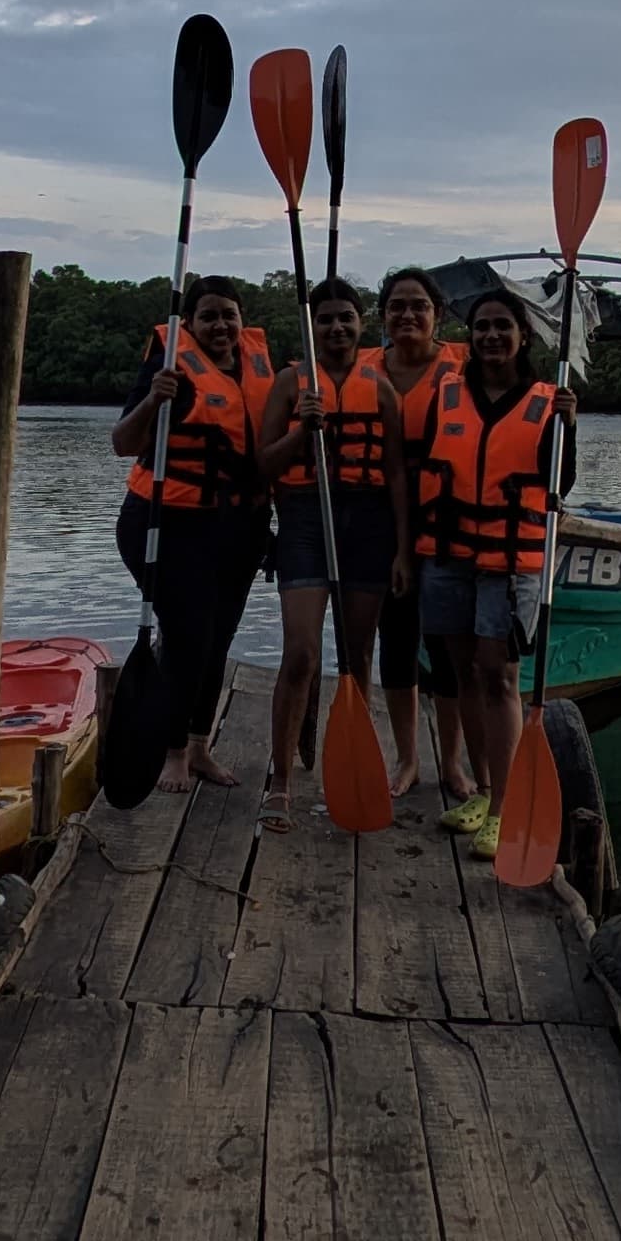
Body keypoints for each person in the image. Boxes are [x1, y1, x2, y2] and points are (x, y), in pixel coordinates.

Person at [106, 277, 275, 790]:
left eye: (229, 315)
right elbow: (122, 442)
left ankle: (200, 746)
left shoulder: (259, 368)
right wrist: (155, 400)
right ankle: (172, 750)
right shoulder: (169, 368)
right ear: (192, 324)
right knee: (187, 638)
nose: (220, 325)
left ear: (242, 320)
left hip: (239, 527)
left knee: (217, 638)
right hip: (166, 523)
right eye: (208, 316)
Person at [411, 285, 556, 858]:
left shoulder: (549, 403)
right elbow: (425, 466)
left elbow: (558, 486)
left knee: (498, 675)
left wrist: (565, 428)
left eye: (503, 326)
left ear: (522, 337)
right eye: (482, 327)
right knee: (462, 671)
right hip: (448, 553)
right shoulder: (447, 395)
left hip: (509, 560)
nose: (491, 335)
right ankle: (482, 790)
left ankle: (505, 808)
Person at [250, 278, 397, 830]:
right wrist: (301, 430)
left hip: (366, 523)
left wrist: (402, 547)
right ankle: (281, 780)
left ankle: (355, 764)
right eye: (327, 319)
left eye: (347, 319)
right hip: (306, 518)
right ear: (313, 328)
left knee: (358, 660)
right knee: (302, 654)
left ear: (362, 326)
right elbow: (264, 464)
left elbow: (399, 475)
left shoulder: (380, 389)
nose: (337, 327)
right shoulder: (291, 383)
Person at [363, 267, 466, 804]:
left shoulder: (465, 369)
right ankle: (406, 759)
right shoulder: (362, 370)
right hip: (380, 522)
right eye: (397, 306)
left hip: (446, 522)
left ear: (437, 315)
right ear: (383, 315)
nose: (407, 315)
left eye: (418, 306)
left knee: (446, 648)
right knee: (397, 642)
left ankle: (452, 763)